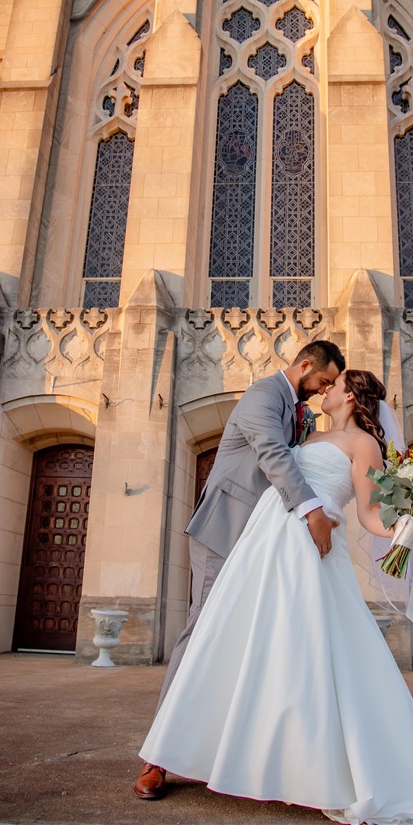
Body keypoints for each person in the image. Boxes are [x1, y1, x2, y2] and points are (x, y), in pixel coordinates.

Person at [139, 370, 413, 824]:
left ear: (350, 394)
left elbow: (367, 513)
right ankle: (191, 753)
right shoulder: (308, 430)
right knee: (233, 641)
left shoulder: (364, 444)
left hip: (310, 546)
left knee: (300, 648)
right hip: (262, 539)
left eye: (335, 385)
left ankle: (301, 766)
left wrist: (403, 526)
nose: (326, 391)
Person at [134, 339, 346, 800]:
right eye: (323, 381)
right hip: (226, 532)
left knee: (246, 645)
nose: (322, 390)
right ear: (306, 365)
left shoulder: (299, 410)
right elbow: (271, 451)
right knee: (202, 632)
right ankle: (158, 758)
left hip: (266, 543)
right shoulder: (263, 395)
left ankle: (221, 751)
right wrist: (312, 511)